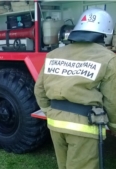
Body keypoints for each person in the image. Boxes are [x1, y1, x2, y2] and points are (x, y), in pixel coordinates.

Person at [34, 8, 116, 169]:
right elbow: (112, 100)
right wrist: (114, 126)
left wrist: (49, 111)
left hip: (55, 123)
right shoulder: (108, 58)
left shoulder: (53, 54)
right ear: (105, 33)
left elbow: (39, 89)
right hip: (85, 126)